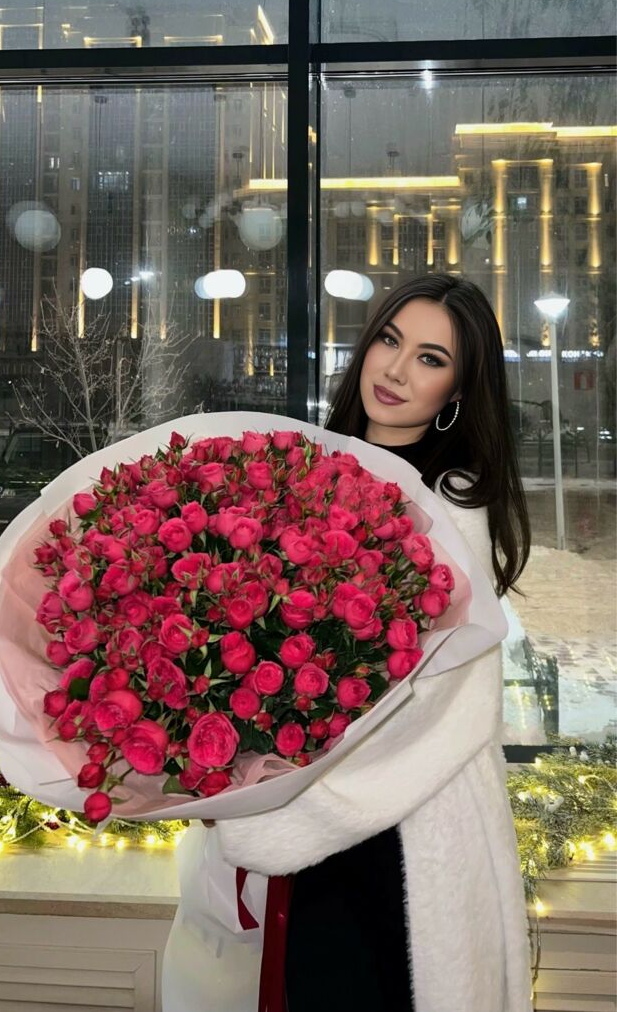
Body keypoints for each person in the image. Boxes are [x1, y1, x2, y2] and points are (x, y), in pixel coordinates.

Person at [186, 272, 533, 1012]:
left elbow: (445, 708)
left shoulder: (450, 505)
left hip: (402, 837)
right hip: (309, 818)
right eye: (389, 341)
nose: (397, 370)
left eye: (430, 359)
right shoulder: (305, 474)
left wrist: (281, 806)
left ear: (458, 392)